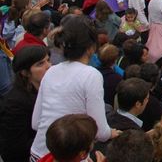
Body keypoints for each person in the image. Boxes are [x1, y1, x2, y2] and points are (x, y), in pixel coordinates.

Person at [30, 16, 119, 160]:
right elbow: (100, 131)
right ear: (91, 47)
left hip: (38, 153)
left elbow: (36, 123)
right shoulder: (91, 75)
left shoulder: (51, 71)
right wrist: (111, 133)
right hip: (70, 155)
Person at [0, 46, 51, 162]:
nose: (48, 66)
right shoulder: (15, 103)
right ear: (25, 72)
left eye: (48, 60)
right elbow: (14, 148)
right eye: (40, 64)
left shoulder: (46, 89)